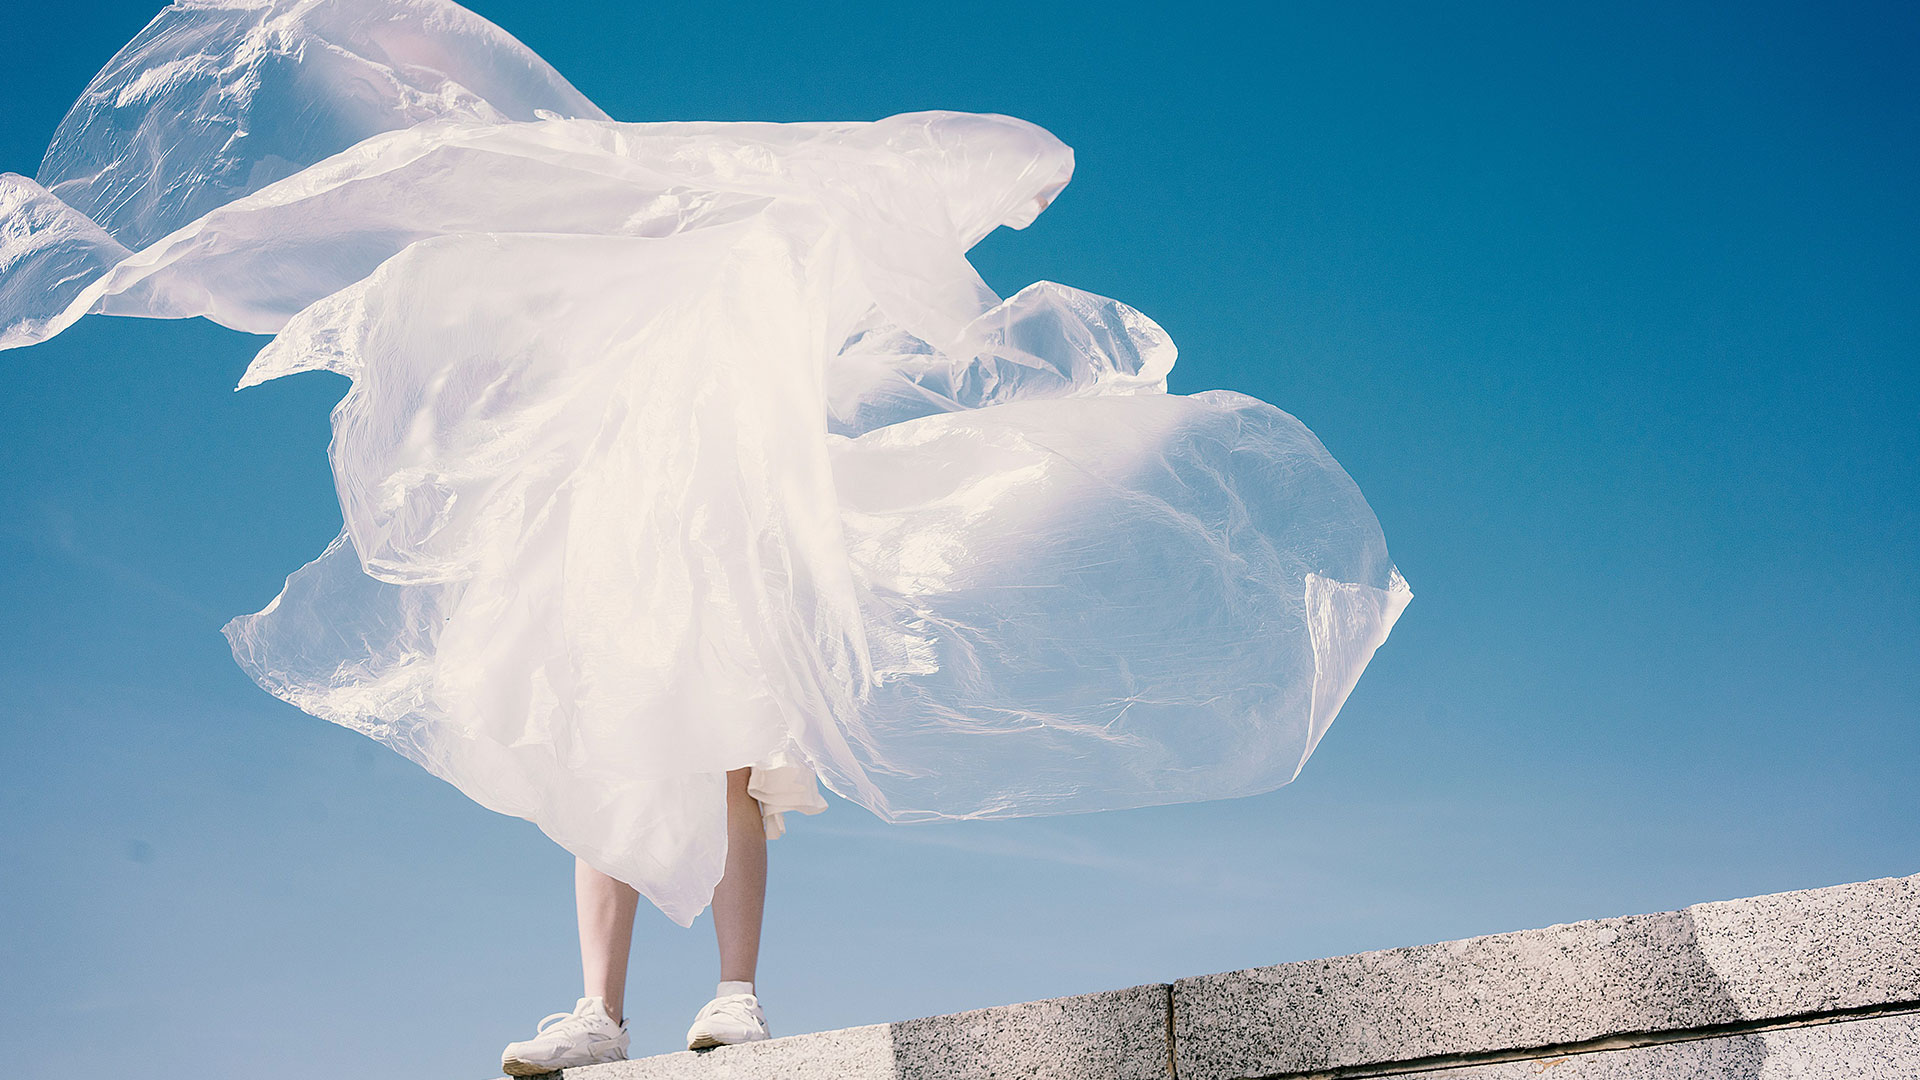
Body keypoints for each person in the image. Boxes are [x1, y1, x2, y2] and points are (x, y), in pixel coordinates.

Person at [0, 0, 1410, 1072]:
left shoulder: (708, 288)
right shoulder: (574, 315)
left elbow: (791, 251)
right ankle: (600, 1011)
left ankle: (735, 992)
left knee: (726, 739)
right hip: (602, 551)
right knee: (596, 751)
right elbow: (467, 289)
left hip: (714, 545)